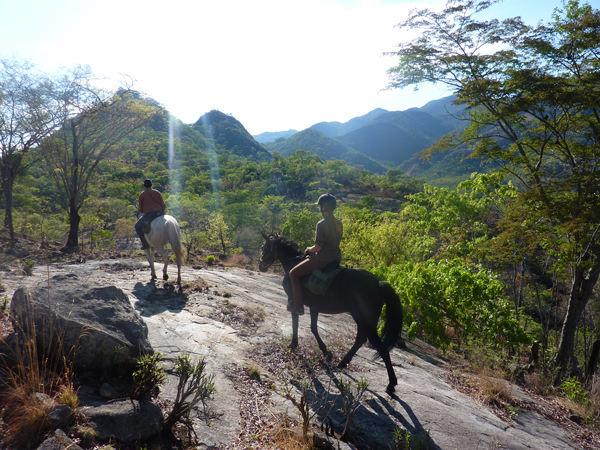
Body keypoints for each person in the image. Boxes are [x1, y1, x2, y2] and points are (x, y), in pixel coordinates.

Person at [288, 193, 343, 315]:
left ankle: (298, 306)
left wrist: (308, 249)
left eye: (320, 206)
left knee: (293, 273)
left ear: (324, 207)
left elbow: (318, 247)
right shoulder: (339, 223)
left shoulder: (321, 224)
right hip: (336, 258)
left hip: (323, 259)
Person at [135, 179, 166, 249]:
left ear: (144, 185)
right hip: (160, 213)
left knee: (137, 226)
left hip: (150, 215)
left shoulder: (142, 195)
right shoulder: (157, 192)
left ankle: (145, 244)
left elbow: (141, 210)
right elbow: (163, 205)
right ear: (151, 184)